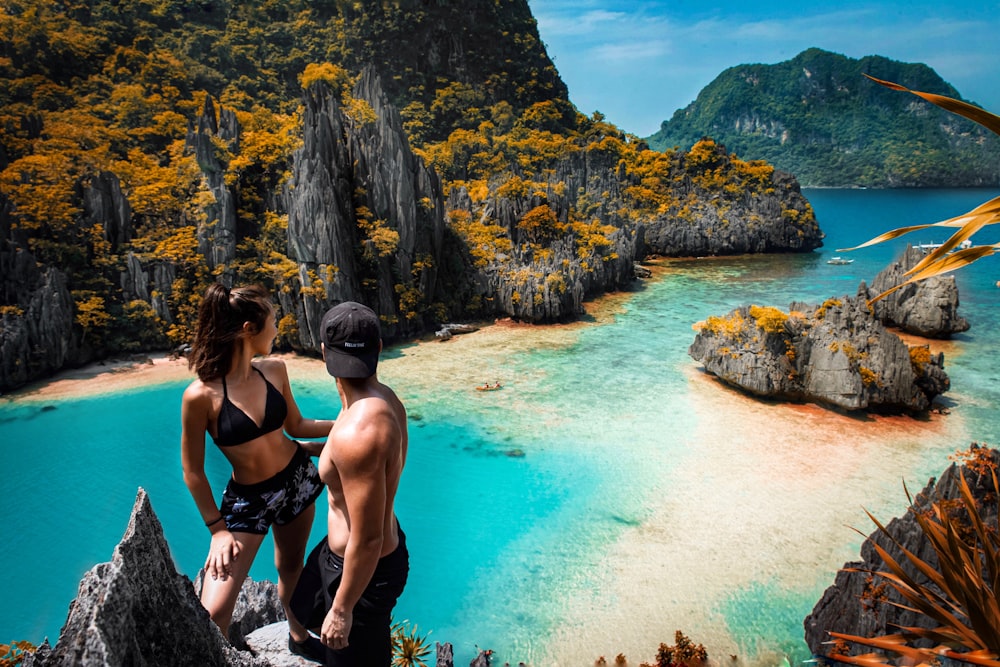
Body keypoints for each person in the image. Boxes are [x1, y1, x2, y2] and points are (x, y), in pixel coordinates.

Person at [180, 283, 333, 659]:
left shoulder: (274, 370)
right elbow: (193, 471)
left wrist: (351, 421)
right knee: (214, 612)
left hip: (297, 480)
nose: (278, 329)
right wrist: (217, 530)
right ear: (249, 329)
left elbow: (295, 425)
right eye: (273, 321)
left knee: (291, 568)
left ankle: (297, 637)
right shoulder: (200, 396)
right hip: (247, 503)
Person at [291, 301, 409, 666]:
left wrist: (343, 608)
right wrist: (298, 449)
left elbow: (369, 537)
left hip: (364, 569)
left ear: (324, 353)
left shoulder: (361, 429)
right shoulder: (375, 399)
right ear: (378, 348)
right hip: (343, 552)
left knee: (351, 654)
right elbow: (346, 458)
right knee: (298, 605)